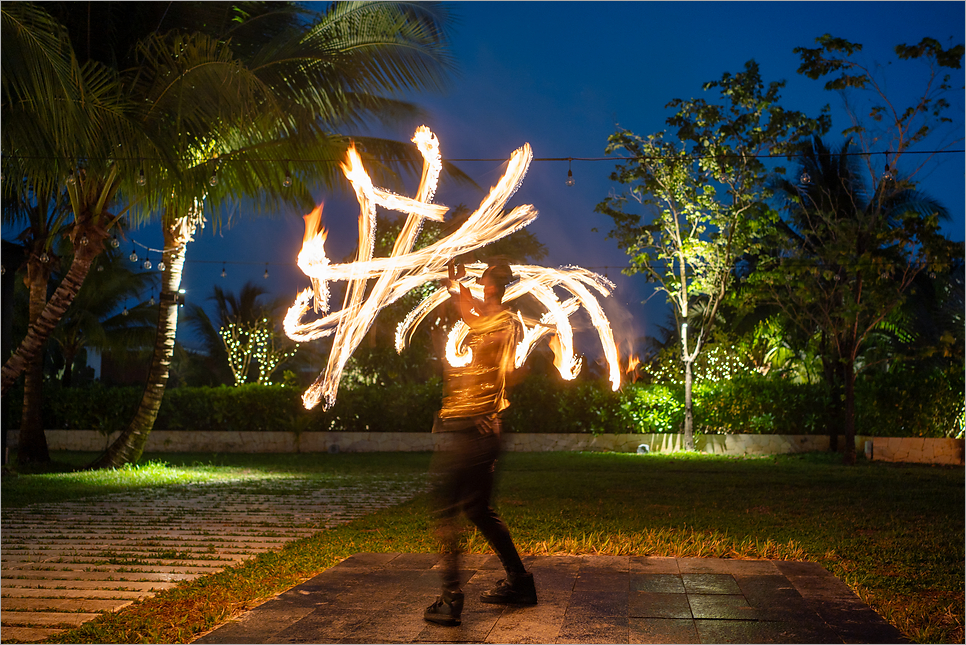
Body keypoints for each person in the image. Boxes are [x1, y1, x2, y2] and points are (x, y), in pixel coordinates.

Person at [423, 259, 537, 627]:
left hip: (476, 428)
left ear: (495, 288)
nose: (485, 288)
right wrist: (460, 290)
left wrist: (465, 293)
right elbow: (473, 318)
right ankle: (519, 582)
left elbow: (484, 325)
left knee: (446, 509)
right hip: (475, 428)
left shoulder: (504, 322)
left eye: (487, 282)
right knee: (477, 510)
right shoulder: (490, 318)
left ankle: (450, 597)